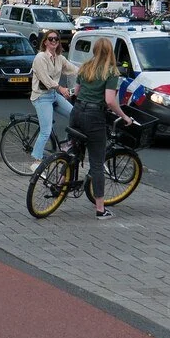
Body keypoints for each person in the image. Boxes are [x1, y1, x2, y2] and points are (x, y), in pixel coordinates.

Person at [71, 38, 134, 219]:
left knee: (74, 151)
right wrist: (124, 117)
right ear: (111, 52)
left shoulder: (85, 67)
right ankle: (100, 209)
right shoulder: (111, 72)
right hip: (94, 117)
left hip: (76, 112)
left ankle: (59, 182)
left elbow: (76, 92)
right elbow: (109, 101)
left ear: (94, 50)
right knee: (97, 163)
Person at [29, 31, 78, 171]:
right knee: (46, 130)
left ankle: (67, 143)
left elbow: (73, 69)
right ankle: (37, 161)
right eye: (50, 39)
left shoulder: (59, 58)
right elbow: (46, 80)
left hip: (53, 95)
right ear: (45, 42)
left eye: (56, 39)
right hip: (41, 96)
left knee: (74, 114)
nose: (54, 41)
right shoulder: (40, 58)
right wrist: (61, 89)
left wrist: (89, 73)